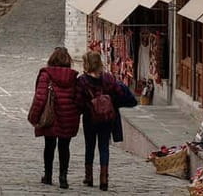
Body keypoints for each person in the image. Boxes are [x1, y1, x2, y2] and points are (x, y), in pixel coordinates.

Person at [27, 47, 80, 189]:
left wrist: (34, 116)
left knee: (49, 145)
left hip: (51, 115)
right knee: (65, 147)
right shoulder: (73, 77)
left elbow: (40, 97)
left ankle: (48, 175)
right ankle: (63, 177)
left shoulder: (46, 75)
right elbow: (78, 98)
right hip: (68, 115)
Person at [75, 51, 128, 191]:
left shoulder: (82, 80)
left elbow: (78, 101)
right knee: (104, 147)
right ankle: (104, 178)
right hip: (107, 118)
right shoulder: (108, 78)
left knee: (90, 146)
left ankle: (89, 176)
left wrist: (86, 107)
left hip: (90, 117)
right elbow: (119, 93)